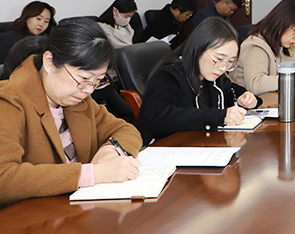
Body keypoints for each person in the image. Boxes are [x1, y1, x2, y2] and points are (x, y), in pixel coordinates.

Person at [0, 17, 142, 209]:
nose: (89, 90)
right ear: (49, 62)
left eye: (97, 81)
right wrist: (93, 173)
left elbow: (125, 130)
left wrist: (109, 151)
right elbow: (4, 178)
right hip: (33, 218)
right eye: (84, 78)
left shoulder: (76, 97)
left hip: (77, 210)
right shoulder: (8, 100)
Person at [137, 18, 261, 144]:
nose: (223, 68)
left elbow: (230, 89)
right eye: (218, 59)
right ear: (199, 49)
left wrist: (246, 97)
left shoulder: (212, 75)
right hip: (164, 147)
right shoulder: (168, 76)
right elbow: (159, 117)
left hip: (199, 144)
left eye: (230, 62)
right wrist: (218, 116)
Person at [231, 0, 295, 94]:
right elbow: (256, 83)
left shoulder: (280, 46)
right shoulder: (255, 46)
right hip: (247, 102)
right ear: (281, 24)